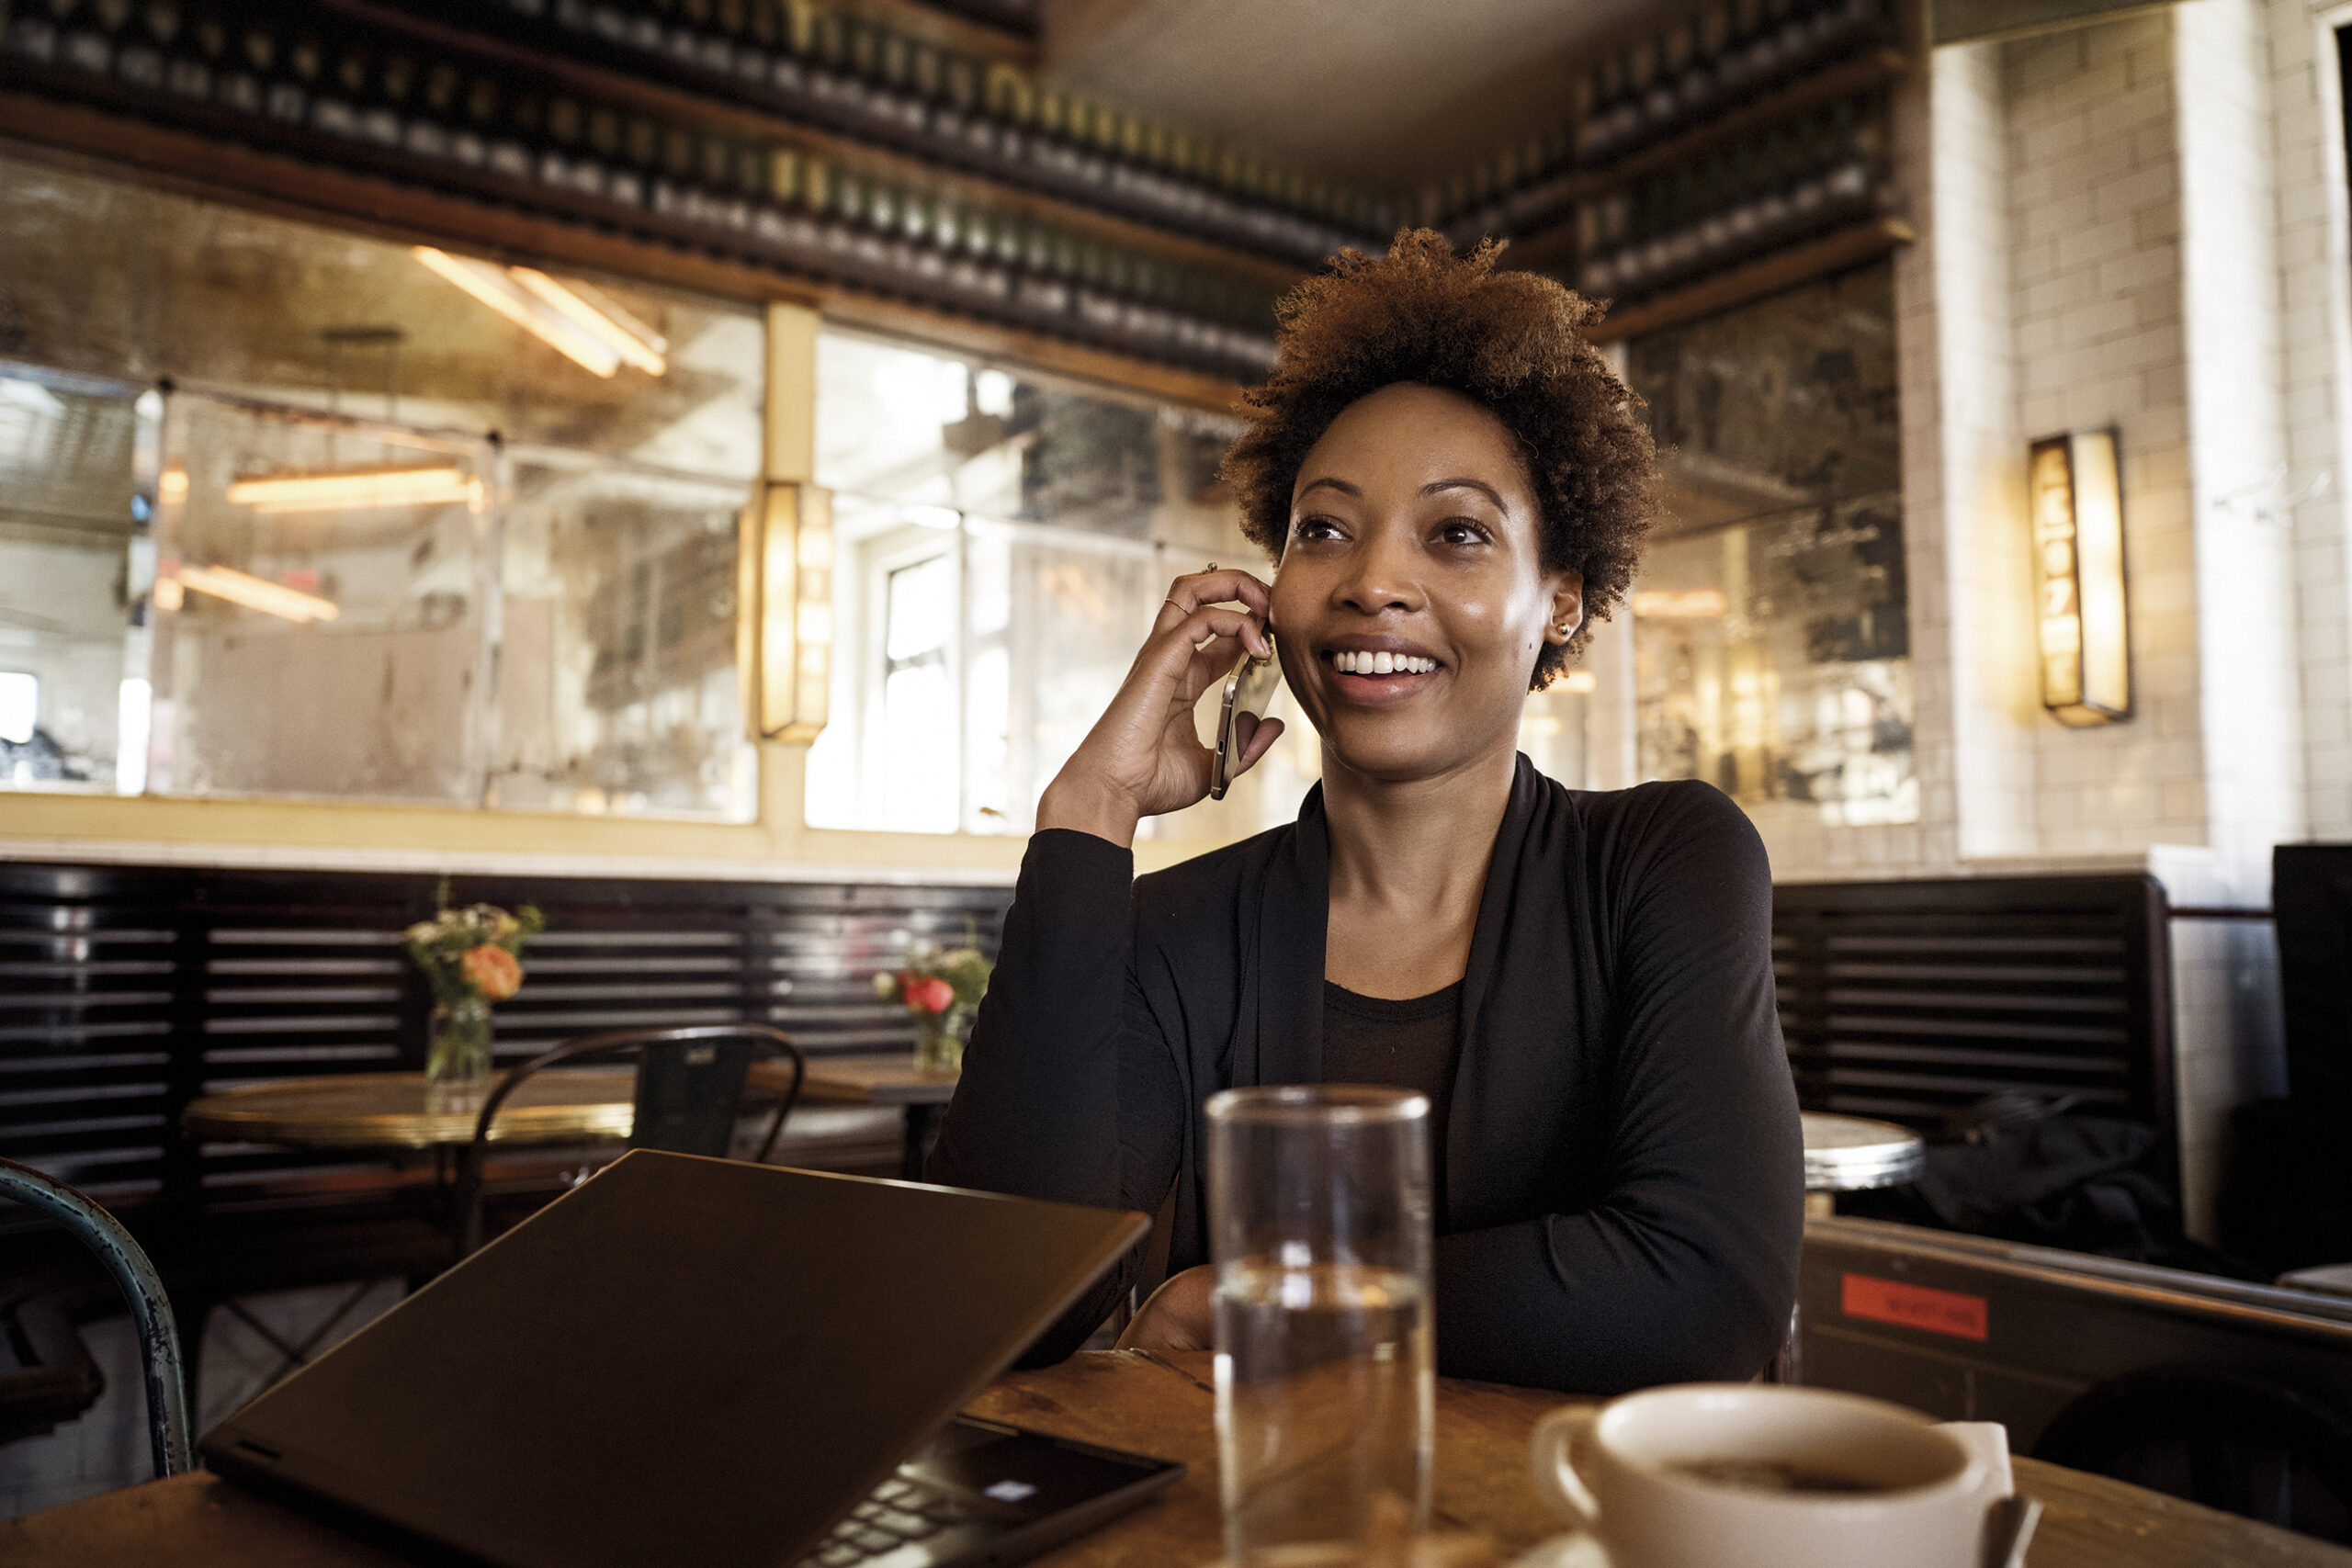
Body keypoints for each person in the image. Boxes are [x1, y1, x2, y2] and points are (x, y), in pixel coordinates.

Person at [927, 231, 1803, 1393]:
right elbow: (996, 1307)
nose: (1370, 581)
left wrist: (1265, 1309)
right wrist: (1089, 812)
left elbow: (1702, 1297)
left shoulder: (1661, 861)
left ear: (1559, 602)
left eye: (1456, 534)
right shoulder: (1174, 929)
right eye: (1323, 529)